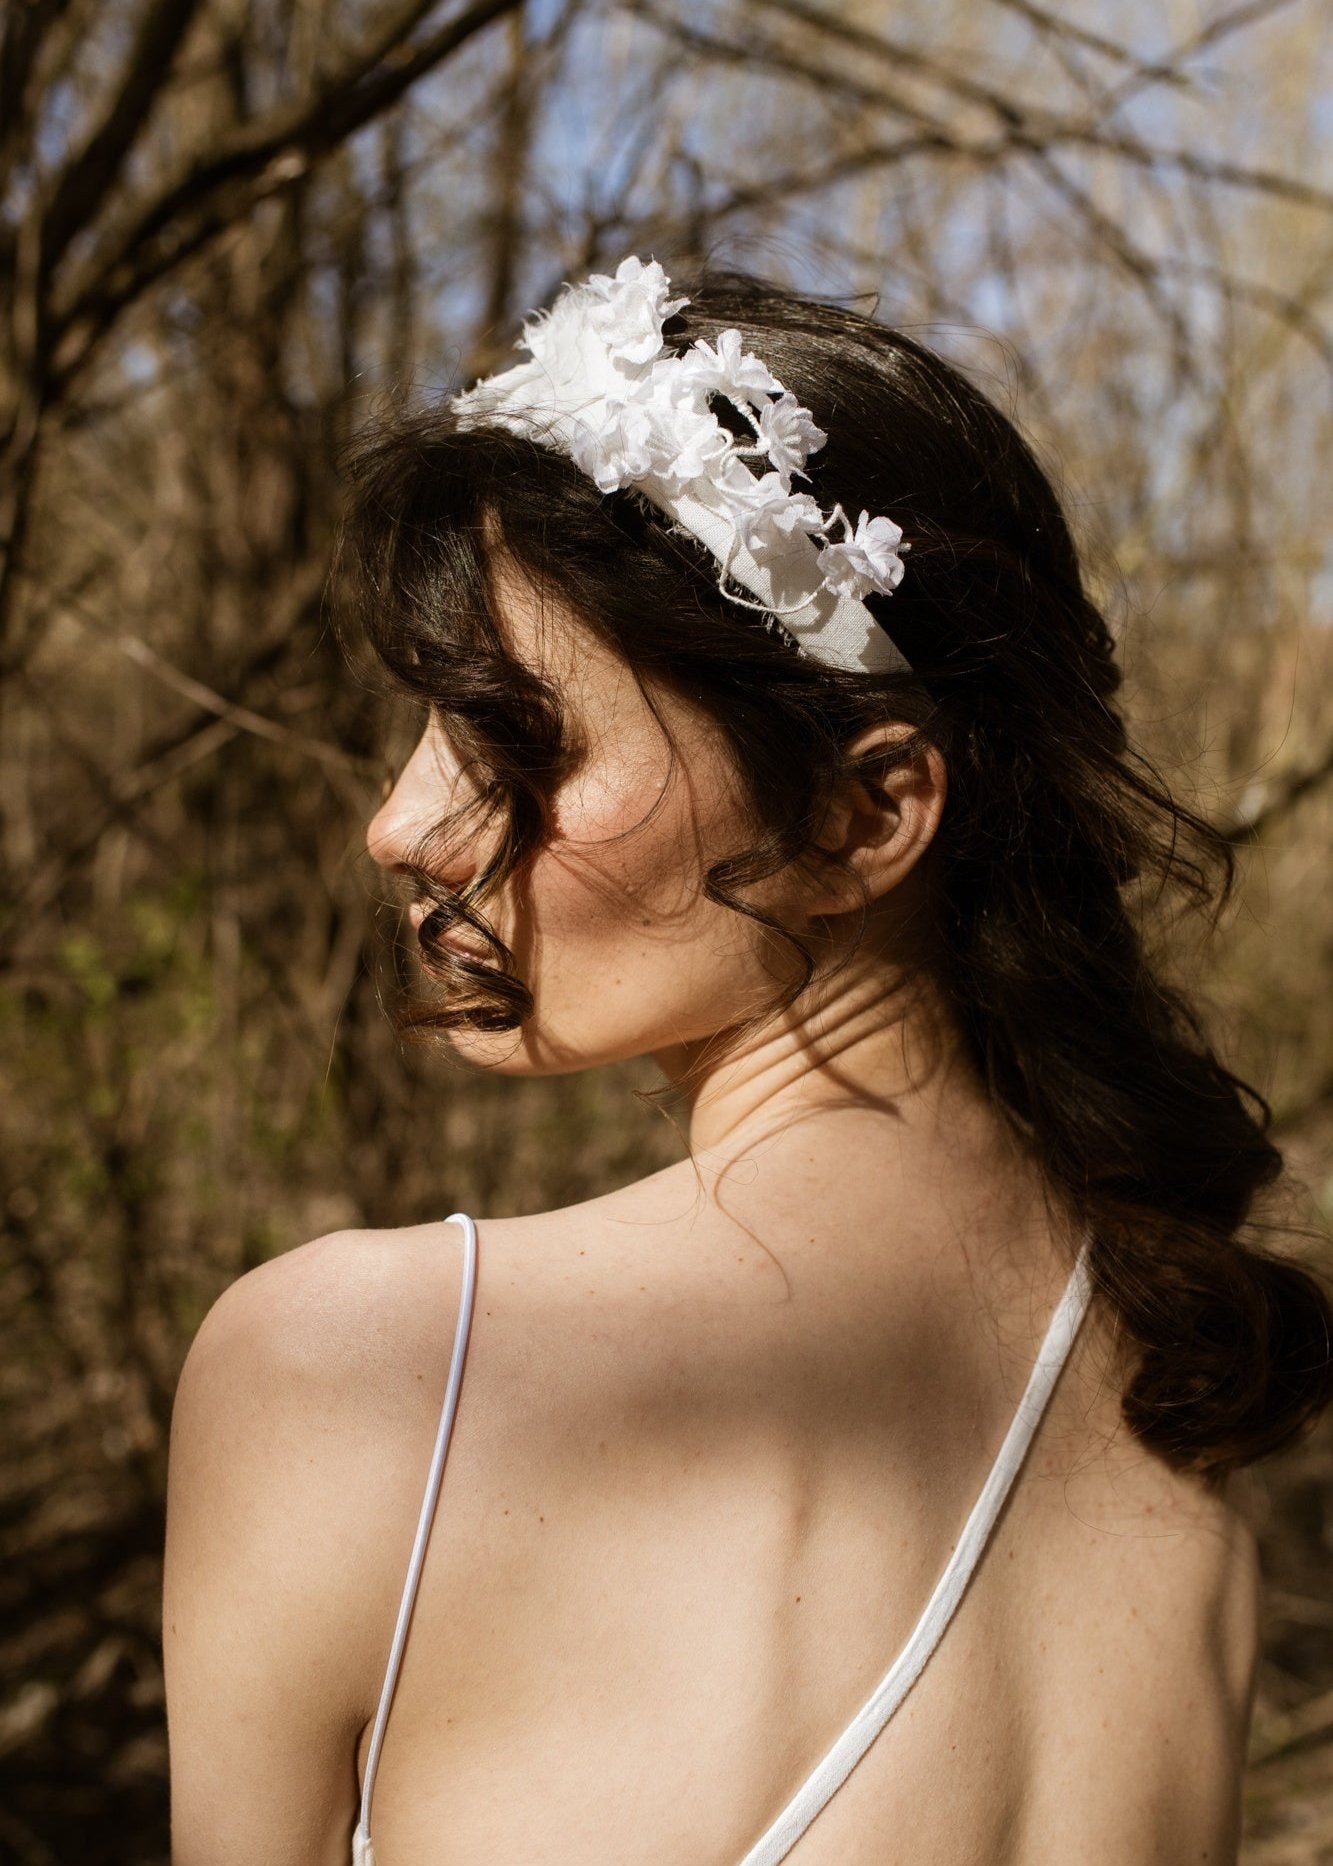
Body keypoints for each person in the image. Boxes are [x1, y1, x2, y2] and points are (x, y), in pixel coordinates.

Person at [161, 258, 1333, 1866]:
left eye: (513, 742)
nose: (400, 824)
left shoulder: (372, 1373)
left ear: (862, 815)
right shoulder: (1183, 1464)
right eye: (427, 728)